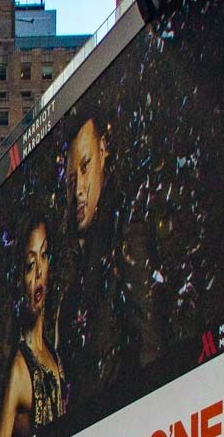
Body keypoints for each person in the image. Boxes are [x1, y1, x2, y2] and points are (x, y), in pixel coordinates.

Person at [56, 113, 167, 406]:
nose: (78, 189)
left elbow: (151, 350)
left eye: (85, 166)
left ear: (104, 150)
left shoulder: (126, 234)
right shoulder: (77, 268)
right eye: (70, 179)